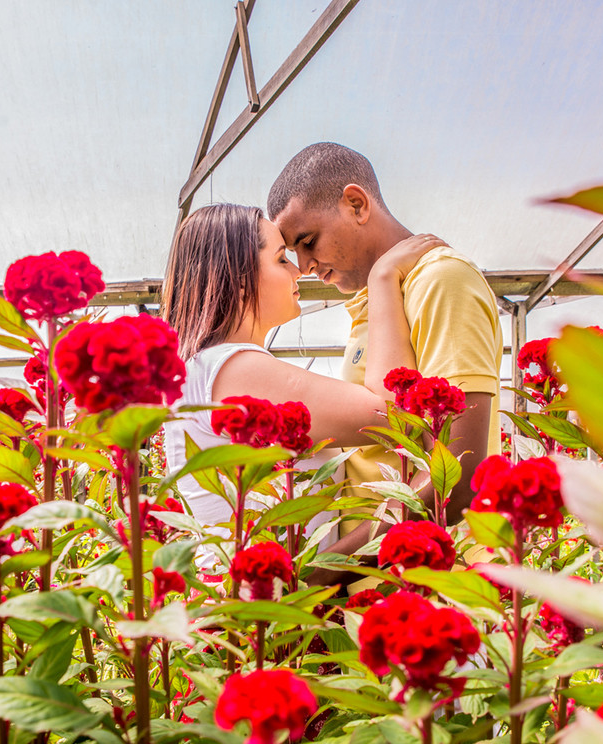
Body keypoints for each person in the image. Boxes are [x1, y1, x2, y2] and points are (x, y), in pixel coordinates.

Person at [268, 142, 503, 569]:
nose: (303, 266)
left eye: (308, 241)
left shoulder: (440, 282)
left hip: (427, 595)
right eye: (291, 252)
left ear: (356, 204)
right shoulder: (378, 298)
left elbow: (457, 480)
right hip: (375, 591)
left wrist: (326, 571)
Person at [160, 203, 442, 541]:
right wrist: (381, 279)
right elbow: (395, 412)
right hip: (267, 592)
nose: (297, 271)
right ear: (239, 279)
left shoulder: (208, 367)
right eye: (281, 259)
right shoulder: (234, 370)